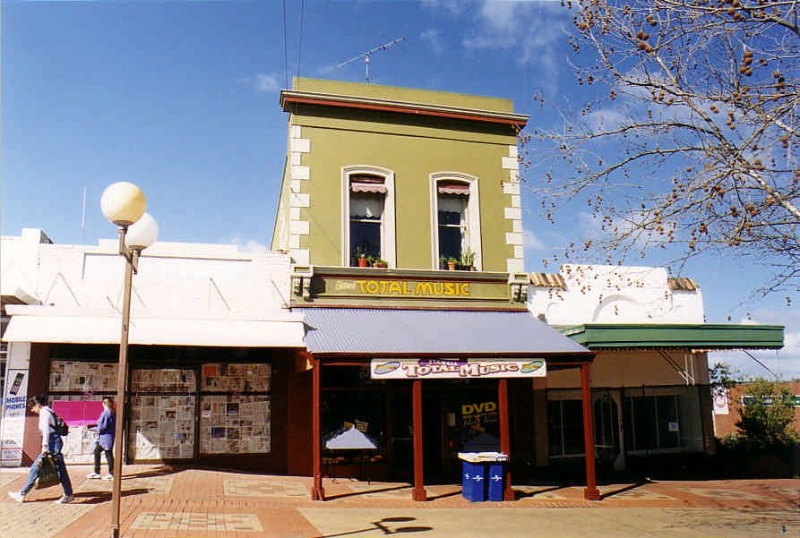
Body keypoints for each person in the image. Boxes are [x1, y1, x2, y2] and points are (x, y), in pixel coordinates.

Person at [8, 395, 74, 504]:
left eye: (33, 408)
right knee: (59, 469)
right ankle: (68, 493)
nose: (33, 411)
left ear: (37, 405)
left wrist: (44, 446)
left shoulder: (44, 413)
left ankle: (22, 493)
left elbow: (46, 431)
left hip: (52, 443)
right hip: (55, 442)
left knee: (37, 468)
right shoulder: (49, 411)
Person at [86, 396, 115, 480]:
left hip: (105, 437)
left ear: (104, 403)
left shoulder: (106, 413)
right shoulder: (112, 412)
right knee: (98, 452)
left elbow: (102, 427)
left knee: (108, 454)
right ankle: (97, 472)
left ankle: (110, 473)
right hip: (107, 437)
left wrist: (92, 428)